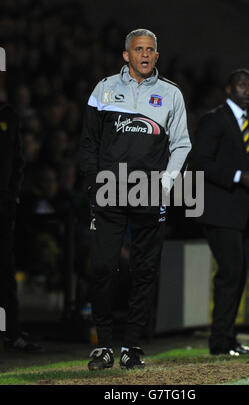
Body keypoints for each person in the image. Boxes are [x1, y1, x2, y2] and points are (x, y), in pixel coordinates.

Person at [79, 28, 191, 370]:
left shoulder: (171, 94)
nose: (144, 54)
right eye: (138, 49)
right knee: (102, 268)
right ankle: (104, 346)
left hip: (149, 193)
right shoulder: (104, 89)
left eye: (150, 50)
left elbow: (182, 144)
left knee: (144, 271)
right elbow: (89, 143)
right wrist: (92, 185)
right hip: (109, 191)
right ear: (126, 55)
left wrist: (167, 184)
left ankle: (131, 347)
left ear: (157, 56)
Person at [193, 69, 249, 356]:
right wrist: (239, 176)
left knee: (238, 275)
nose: (248, 90)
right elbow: (200, 163)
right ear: (229, 89)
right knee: (230, 272)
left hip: (246, 212)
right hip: (220, 210)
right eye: (242, 85)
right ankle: (220, 340)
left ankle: (228, 339)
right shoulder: (214, 120)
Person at [0, 100, 43, 353]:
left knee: (5, 272)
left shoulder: (9, 116)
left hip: (3, 209)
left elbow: (17, 161)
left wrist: (12, 197)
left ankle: (10, 332)